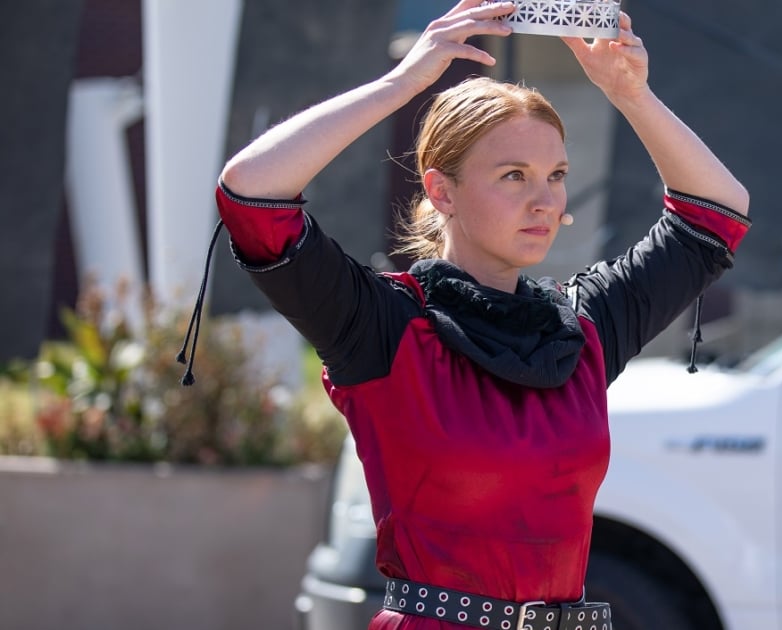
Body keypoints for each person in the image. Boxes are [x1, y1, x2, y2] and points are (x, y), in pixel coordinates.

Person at [201, 1, 750, 627]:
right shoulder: (383, 326)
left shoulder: (582, 329)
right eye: (514, 176)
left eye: (556, 175)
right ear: (441, 190)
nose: (544, 200)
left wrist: (630, 94)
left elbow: (716, 214)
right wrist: (401, 84)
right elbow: (251, 194)